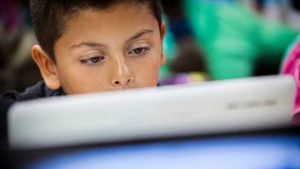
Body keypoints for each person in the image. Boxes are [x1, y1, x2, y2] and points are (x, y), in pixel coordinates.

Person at [0, 0, 165, 148]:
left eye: (139, 49)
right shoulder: (11, 129)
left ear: (161, 46)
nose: (122, 76)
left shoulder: (187, 115)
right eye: (93, 59)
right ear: (49, 66)